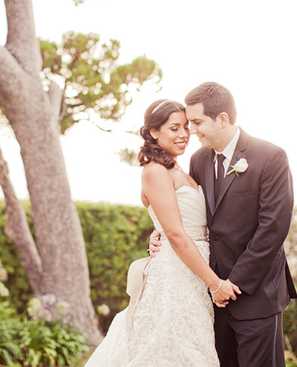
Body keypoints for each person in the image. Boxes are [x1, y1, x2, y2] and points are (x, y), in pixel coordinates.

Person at [150, 82, 297, 367]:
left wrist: (232, 284)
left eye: (196, 122)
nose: (190, 131)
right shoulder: (199, 160)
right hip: (211, 297)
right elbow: (191, 214)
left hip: (255, 295)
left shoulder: (270, 157)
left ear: (222, 119)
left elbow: (273, 229)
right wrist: (158, 235)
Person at [84, 99, 240, 367]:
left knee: (191, 351)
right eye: (174, 128)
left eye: (186, 127)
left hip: (193, 275)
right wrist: (215, 284)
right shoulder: (155, 171)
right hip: (174, 277)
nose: (183, 135)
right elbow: (177, 235)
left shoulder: (180, 167)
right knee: (171, 351)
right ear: (154, 132)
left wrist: (157, 233)